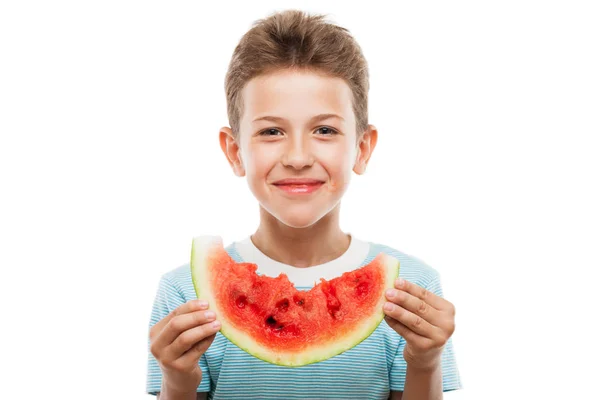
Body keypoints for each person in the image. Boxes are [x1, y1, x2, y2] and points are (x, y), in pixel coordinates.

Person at [147, 9, 462, 400]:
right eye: (272, 131)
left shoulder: (409, 290)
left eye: (324, 130)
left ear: (362, 149)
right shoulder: (186, 292)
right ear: (234, 151)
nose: (297, 157)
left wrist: (426, 362)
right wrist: (177, 382)